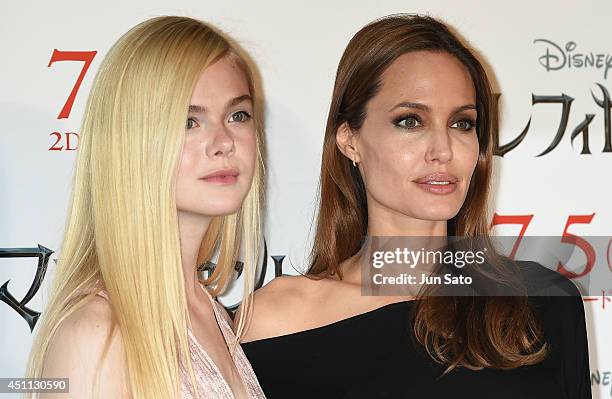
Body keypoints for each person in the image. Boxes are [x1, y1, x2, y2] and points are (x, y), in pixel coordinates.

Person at [239, 14, 591, 399]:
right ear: (349, 140)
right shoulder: (274, 321)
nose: (443, 151)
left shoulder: (542, 301)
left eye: (462, 124)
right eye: (410, 121)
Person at [26, 16, 266, 399]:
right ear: (131, 143)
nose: (223, 142)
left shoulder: (210, 311)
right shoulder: (96, 334)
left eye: (238, 115)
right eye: (189, 121)